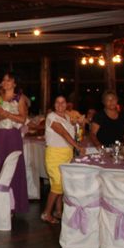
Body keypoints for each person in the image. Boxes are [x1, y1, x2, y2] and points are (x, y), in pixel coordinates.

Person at [0, 72, 28, 215]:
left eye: (9, 80)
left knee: (13, 167)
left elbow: (23, 119)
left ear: (14, 83)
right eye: (4, 80)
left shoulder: (20, 99)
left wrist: (7, 114)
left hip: (12, 136)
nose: (5, 82)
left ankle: (14, 204)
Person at [41, 96, 84, 224]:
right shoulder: (51, 117)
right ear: (54, 105)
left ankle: (58, 211)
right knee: (57, 184)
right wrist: (77, 146)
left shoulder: (67, 117)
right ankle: (46, 213)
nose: (60, 104)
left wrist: (80, 124)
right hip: (54, 154)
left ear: (66, 104)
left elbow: (75, 132)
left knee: (61, 184)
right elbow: (63, 133)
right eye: (57, 102)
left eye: (63, 102)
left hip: (67, 153)